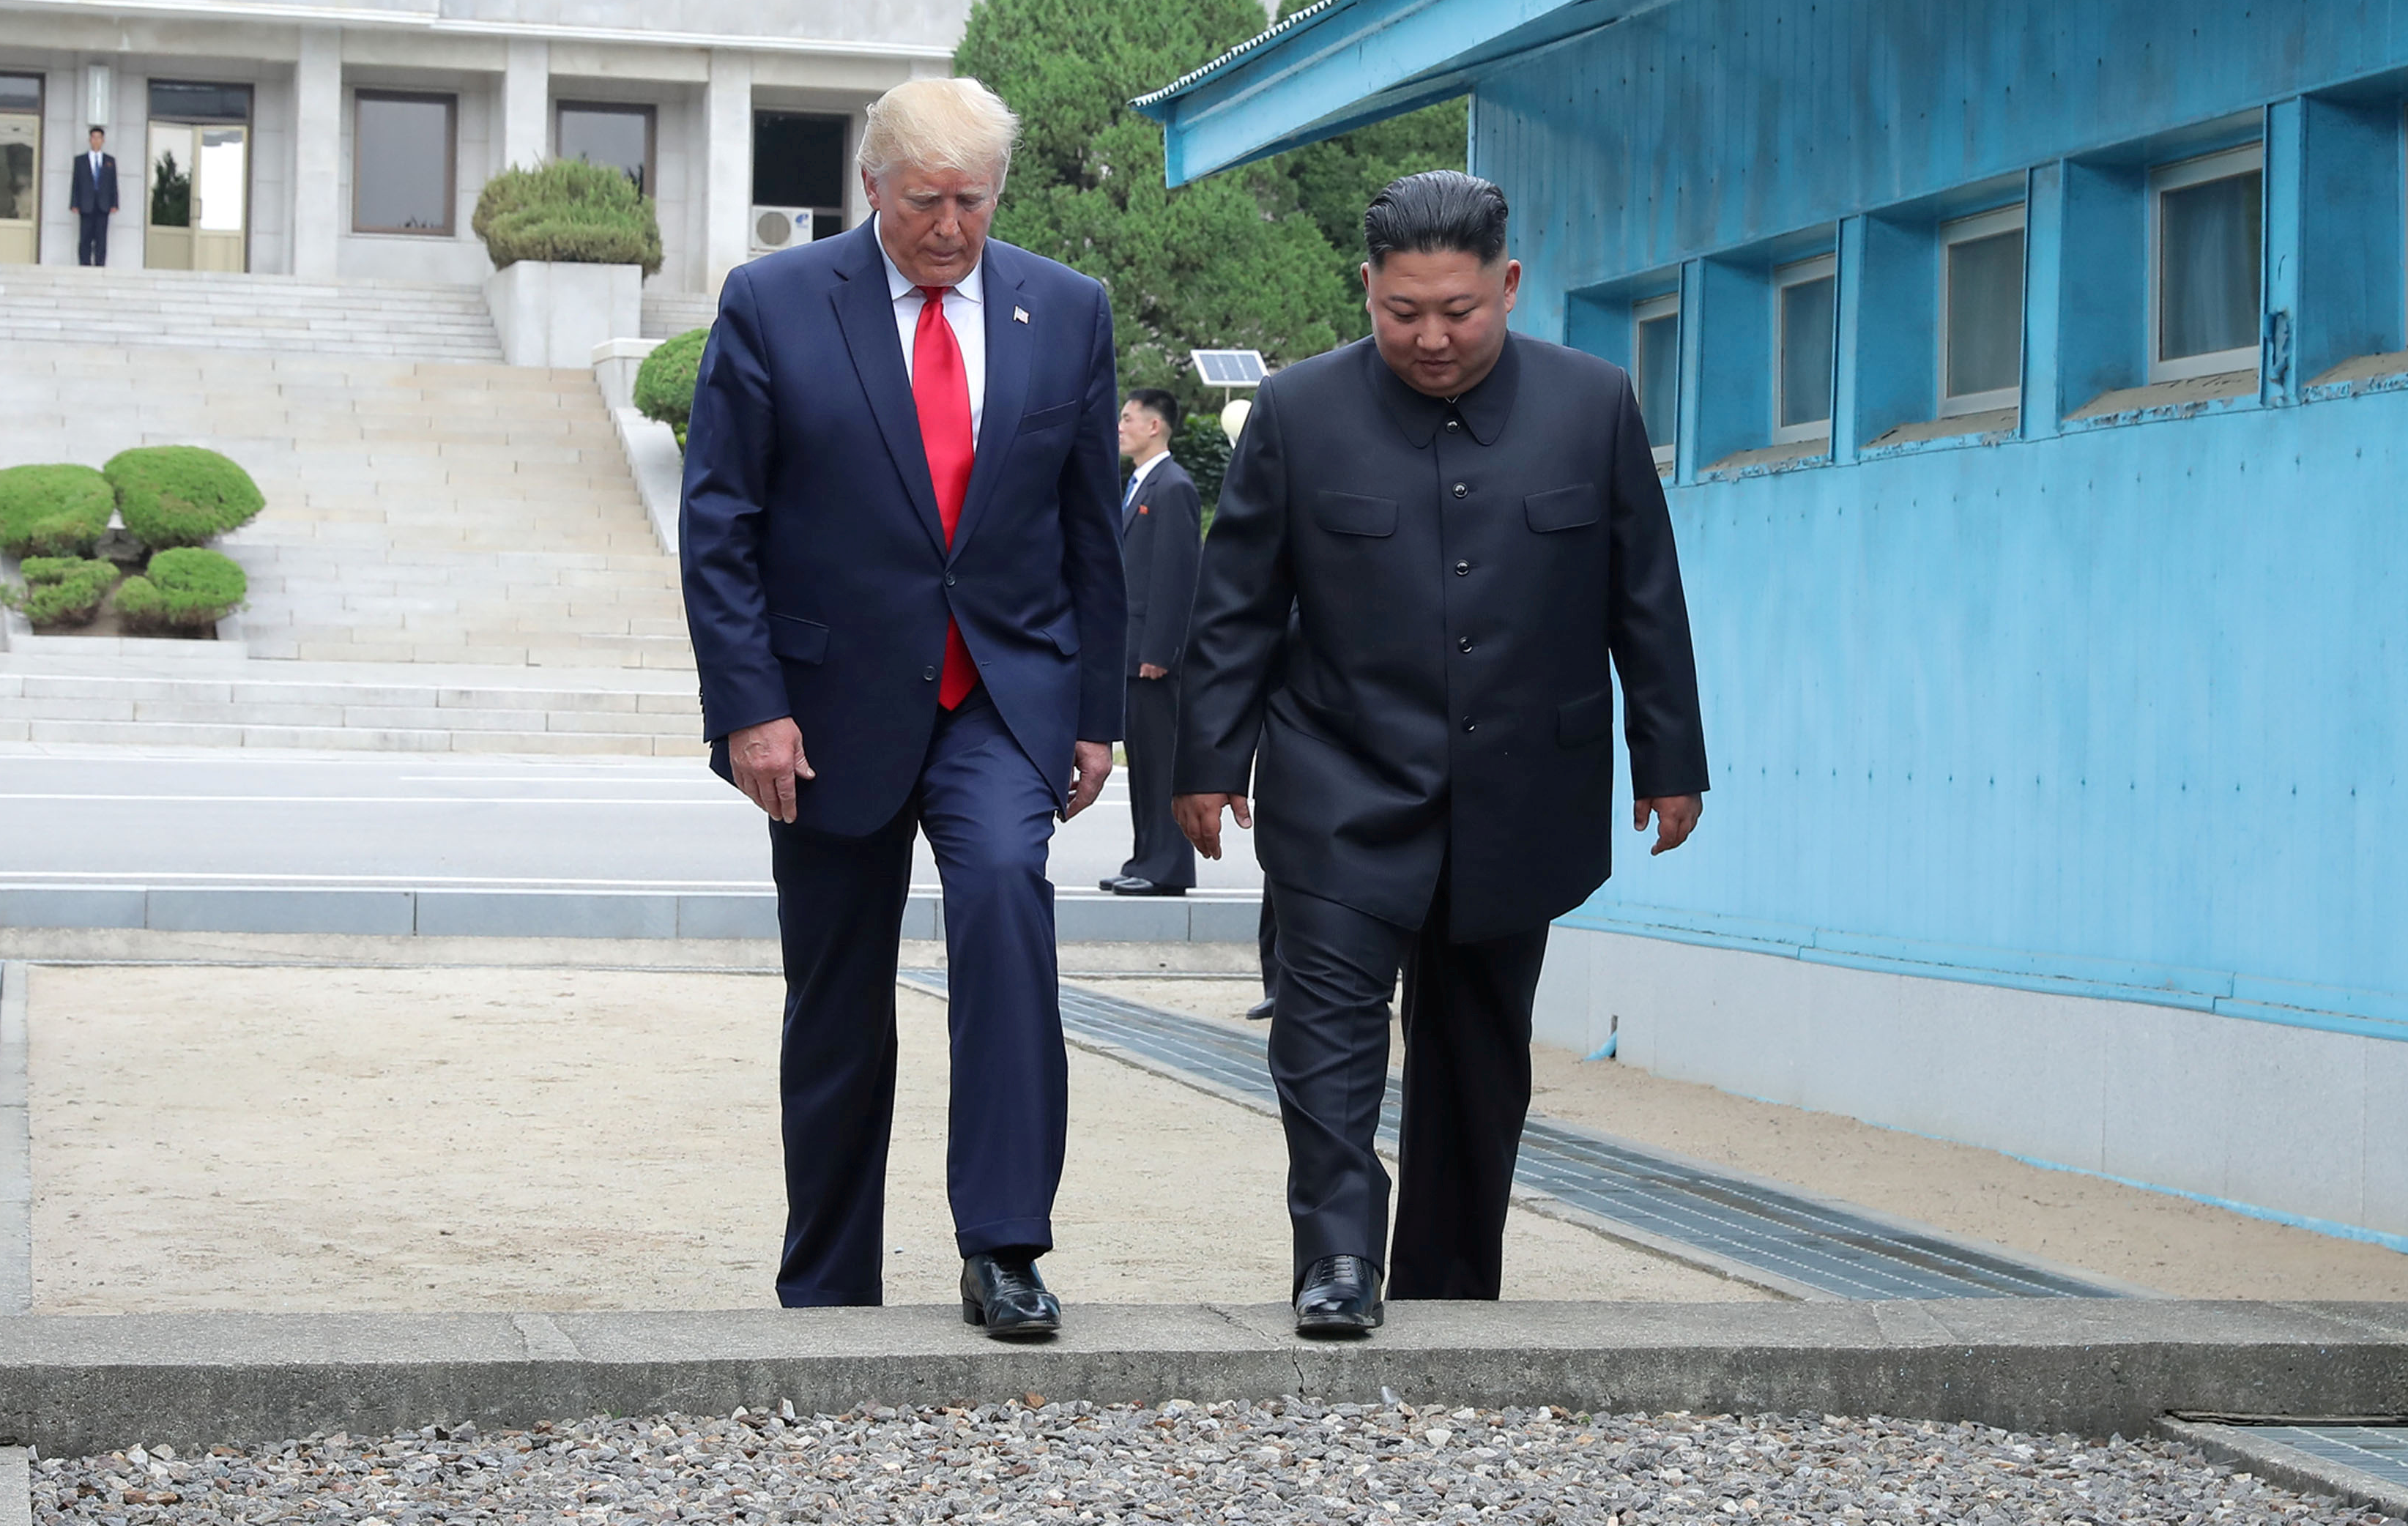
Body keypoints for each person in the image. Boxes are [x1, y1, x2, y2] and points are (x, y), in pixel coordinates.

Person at [1173, 169, 1707, 1338]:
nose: (1429, 336)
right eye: (1400, 310)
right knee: (1325, 1039)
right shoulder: (1299, 413)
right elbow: (1238, 605)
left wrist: (1672, 756)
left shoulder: (1593, 405)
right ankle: (1338, 1262)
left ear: (1508, 286)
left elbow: (1646, 598)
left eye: (1457, 311)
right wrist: (1205, 761)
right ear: (1366, 289)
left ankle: (1454, 1284)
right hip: (1338, 776)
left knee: (1478, 1054)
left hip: (1521, 791)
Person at [679, 75, 1125, 1339]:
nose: (948, 226)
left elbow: (1093, 527)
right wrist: (749, 707)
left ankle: (1003, 1247)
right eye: (924, 198)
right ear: (870, 186)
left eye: (971, 200)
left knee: (1001, 904)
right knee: (834, 995)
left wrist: (1096, 710)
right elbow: (721, 524)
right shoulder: (773, 302)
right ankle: (826, 1279)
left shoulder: (1065, 310)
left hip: (999, 693)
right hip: (819, 711)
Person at [1101, 388, 1202, 897]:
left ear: (1154, 426)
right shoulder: (1141, 484)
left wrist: (1160, 652)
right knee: (1142, 762)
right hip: (1134, 651)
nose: (1120, 426)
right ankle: (1145, 858)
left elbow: (1176, 577)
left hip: (1153, 656)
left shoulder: (1173, 486)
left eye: (1128, 418)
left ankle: (1168, 867)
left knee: (1162, 764)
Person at [70, 126, 120, 267]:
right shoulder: (80, 161)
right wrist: (74, 203)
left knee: (101, 238)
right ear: (90, 140)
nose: (96, 141)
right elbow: (76, 183)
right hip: (86, 204)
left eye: (99, 138)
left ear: (103, 140)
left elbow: (113, 184)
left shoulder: (109, 161)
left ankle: (100, 266)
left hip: (103, 205)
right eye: (94, 138)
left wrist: (115, 203)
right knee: (85, 237)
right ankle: (84, 265)